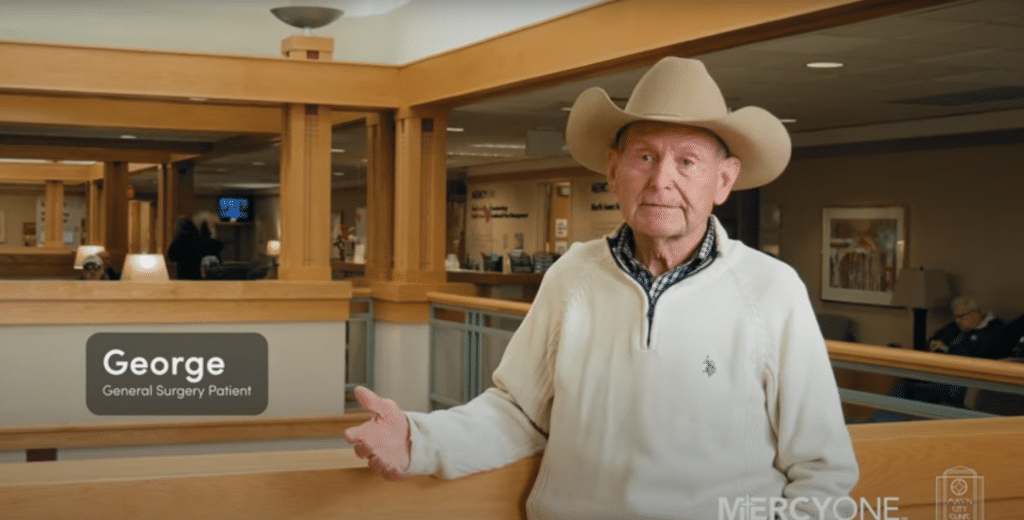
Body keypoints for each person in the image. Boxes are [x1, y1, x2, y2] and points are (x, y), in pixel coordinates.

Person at [345, 57, 858, 519]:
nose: (661, 181)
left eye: (687, 161)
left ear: (723, 181)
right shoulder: (572, 275)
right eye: (645, 157)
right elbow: (518, 413)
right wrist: (419, 440)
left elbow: (822, 468)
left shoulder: (770, 289)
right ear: (614, 171)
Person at [922, 294, 1007, 359]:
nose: (957, 320)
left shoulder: (994, 330)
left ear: (977, 312)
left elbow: (977, 356)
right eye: (955, 316)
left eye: (961, 316)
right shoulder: (954, 327)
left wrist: (947, 349)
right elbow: (933, 340)